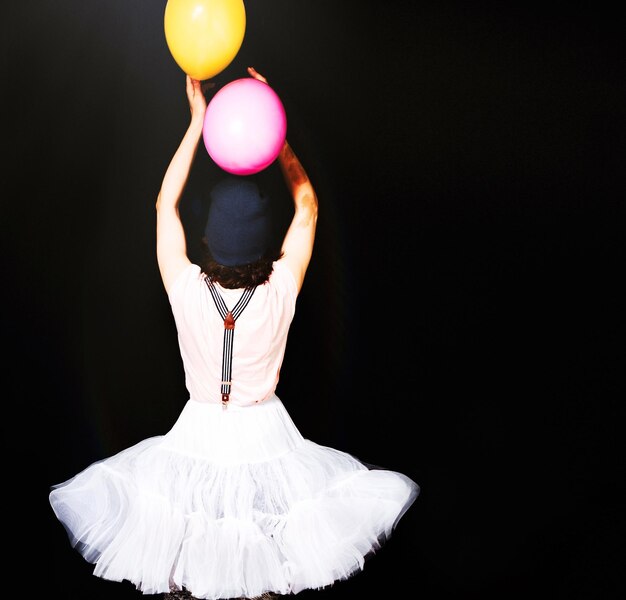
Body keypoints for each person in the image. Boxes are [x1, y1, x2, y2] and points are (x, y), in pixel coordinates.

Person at [49, 67, 419, 600]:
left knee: (190, 571)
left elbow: (163, 205)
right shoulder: (280, 291)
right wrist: (277, 137)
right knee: (262, 571)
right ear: (264, 244)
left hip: (198, 433)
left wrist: (199, 122)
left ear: (207, 239)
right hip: (266, 435)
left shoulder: (186, 288)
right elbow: (308, 207)